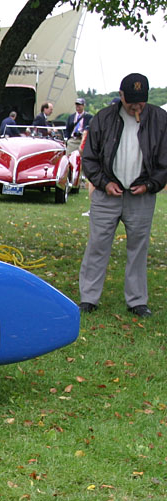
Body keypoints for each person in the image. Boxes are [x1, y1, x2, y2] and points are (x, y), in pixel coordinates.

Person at [77, 73, 167, 318]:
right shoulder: (104, 118)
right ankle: (88, 298)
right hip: (108, 194)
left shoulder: (160, 119)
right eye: (132, 102)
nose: (136, 107)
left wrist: (150, 185)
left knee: (139, 247)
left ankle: (137, 301)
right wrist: (104, 183)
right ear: (121, 96)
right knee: (97, 245)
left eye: (141, 102)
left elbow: (164, 163)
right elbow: (90, 158)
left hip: (141, 195)